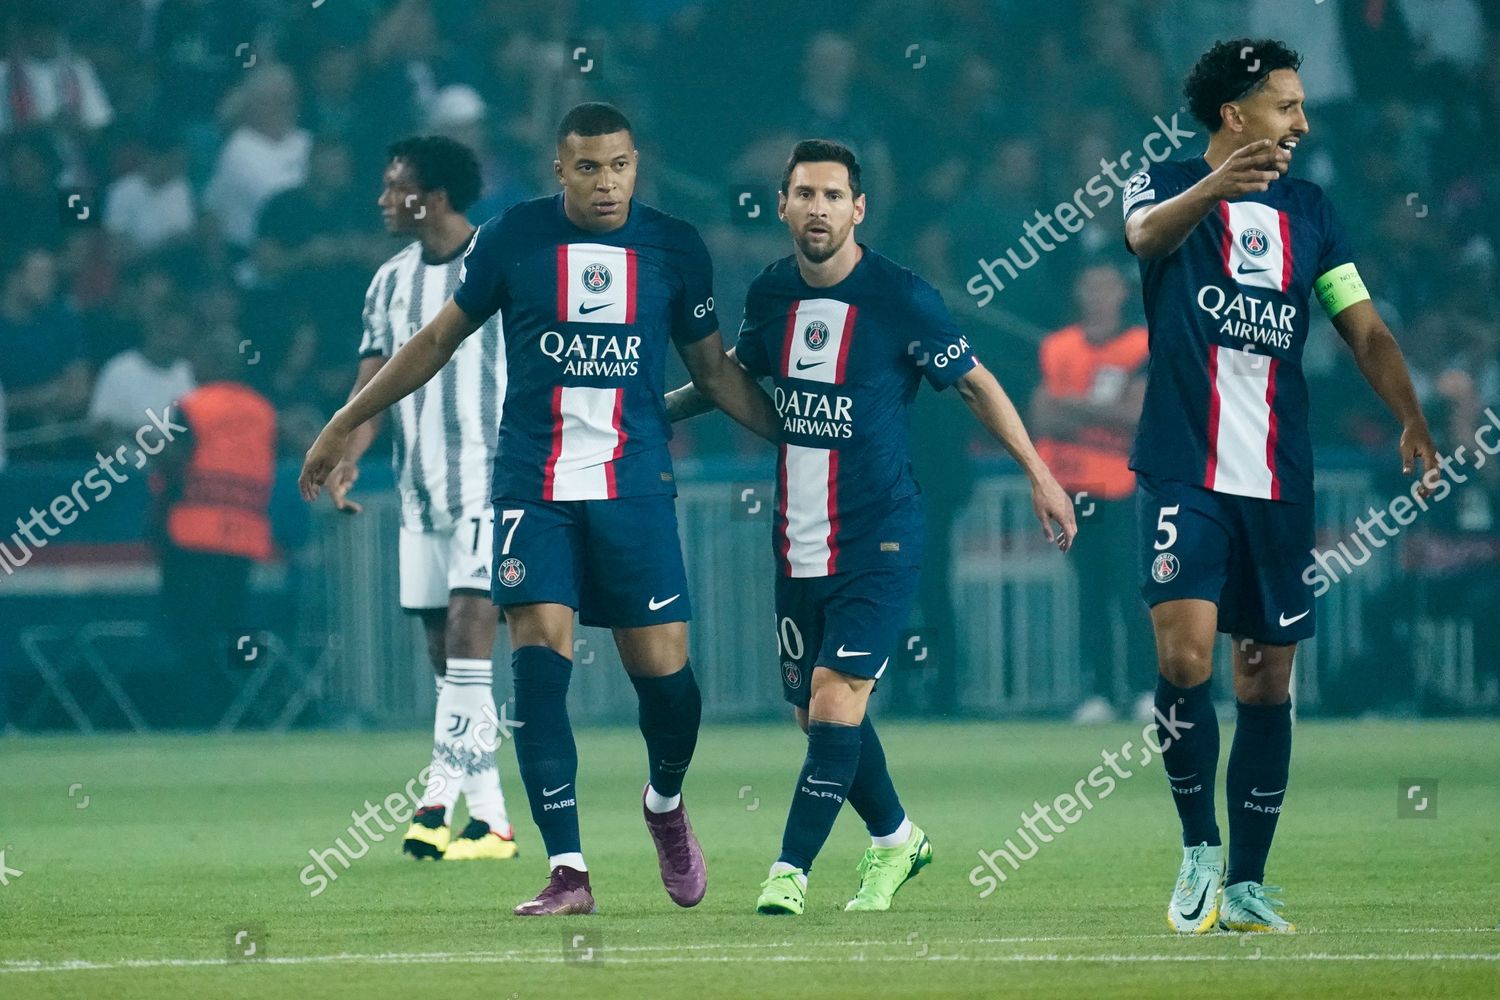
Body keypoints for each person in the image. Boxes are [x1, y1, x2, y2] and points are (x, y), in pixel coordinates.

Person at [300, 103, 777, 916]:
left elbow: (716, 370)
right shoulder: (514, 238)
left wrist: (793, 437)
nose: (606, 182)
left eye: (619, 165)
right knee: (539, 668)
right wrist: (345, 422)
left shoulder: (674, 247)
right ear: (560, 168)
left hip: (632, 486)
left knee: (668, 689)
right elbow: (434, 341)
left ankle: (664, 804)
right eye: (588, 167)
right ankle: (568, 870)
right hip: (532, 485)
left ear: (637, 165)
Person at [666, 139, 1077, 914]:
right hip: (796, 536)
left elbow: (975, 384)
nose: (817, 207)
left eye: (832, 195)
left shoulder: (902, 296)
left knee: (834, 701)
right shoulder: (770, 293)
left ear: (859, 209)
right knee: (815, 714)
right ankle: (895, 839)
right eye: (804, 194)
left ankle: (789, 871)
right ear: (782, 206)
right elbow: (730, 377)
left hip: (881, 532)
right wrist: (649, 414)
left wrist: (1039, 471)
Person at [1123, 39, 1437, 934]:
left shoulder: (1311, 210)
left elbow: (1362, 326)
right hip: (1187, 463)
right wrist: (1211, 191)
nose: (1302, 122)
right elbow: (1143, 235)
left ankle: (1248, 886)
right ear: (1236, 114)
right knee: (1185, 660)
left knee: (1264, 679)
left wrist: (1412, 415)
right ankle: (1197, 850)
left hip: (1277, 479)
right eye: (1286, 105)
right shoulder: (1165, 182)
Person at [324, 135, 518, 863]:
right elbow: (373, 385)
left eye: (394, 185)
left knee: (472, 637)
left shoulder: (499, 266)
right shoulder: (388, 282)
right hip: (421, 490)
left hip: (493, 482)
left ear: (431, 197)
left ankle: (435, 800)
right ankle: (493, 821)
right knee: (447, 660)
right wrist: (346, 451)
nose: (382, 199)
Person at [1029, 263, 1153, 722]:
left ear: (1123, 292)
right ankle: (1098, 692)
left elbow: (1136, 415)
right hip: (1072, 488)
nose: (1099, 294)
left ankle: (1144, 688)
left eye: (1108, 285)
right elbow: (1041, 417)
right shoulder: (1057, 346)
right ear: (1079, 291)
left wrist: (1074, 408)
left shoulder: (1141, 344)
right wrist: (1102, 412)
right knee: (1091, 592)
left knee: (1131, 590)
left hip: (1123, 484)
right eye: (1090, 284)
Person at [153, 330, 276, 728]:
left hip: (194, 535)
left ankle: (199, 715)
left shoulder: (193, 407)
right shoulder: (263, 411)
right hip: (244, 537)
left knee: (192, 631)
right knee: (235, 626)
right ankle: (246, 705)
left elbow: (171, 462)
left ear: (210, 364)